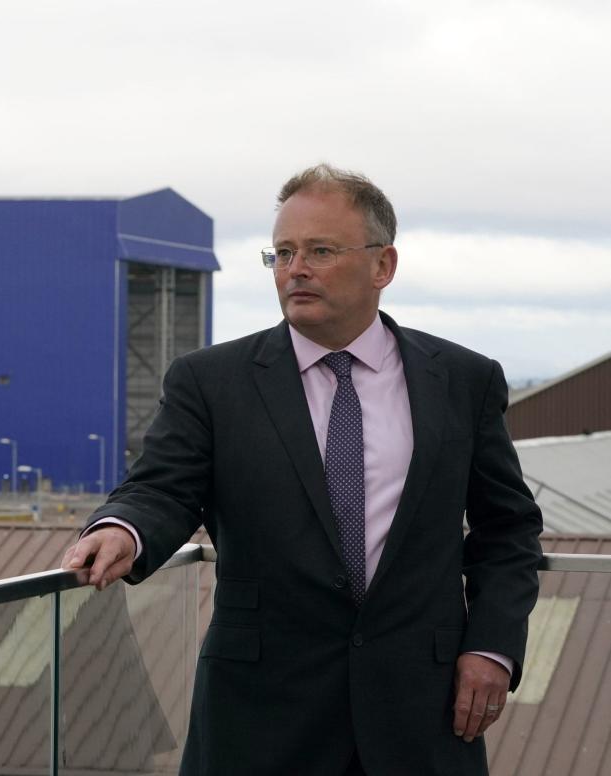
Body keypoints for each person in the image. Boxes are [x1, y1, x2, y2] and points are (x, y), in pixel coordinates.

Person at [62, 164, 543, 776]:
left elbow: (508, 529)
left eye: (320, 250)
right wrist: (122, 528)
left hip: (422, 713)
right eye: (282, 253)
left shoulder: (464, 380)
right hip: (261, 715)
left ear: (383, 266)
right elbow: (162, 487)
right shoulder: (211, 381)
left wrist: (492, 646)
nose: (296, 269)